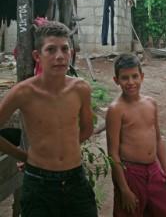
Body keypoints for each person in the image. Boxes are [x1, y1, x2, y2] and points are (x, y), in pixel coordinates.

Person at [0, 21, 98, 216]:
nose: (59, 56)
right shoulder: (22, 92)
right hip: (38, 182)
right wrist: (24, 156)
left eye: (64, 49)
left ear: (71, 52)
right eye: (51, 50)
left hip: (75, 178)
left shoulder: (80, 89)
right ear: (37, 56)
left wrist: (66, 146)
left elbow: (87, 128)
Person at [106, 53, 166, 217]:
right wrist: (124, 189)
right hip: (130, 173)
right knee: (130, 211)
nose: (130, 82)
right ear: (116, 80)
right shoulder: (116, 110)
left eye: (134, 76)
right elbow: (113, 154)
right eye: (124, 78)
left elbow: (158, 139)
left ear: (142, 77)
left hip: (154, 170)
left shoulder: (151, 103)